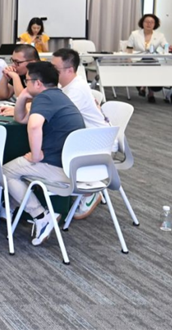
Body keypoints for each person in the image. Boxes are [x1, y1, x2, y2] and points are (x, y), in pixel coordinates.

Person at [2, 62, 85, 246]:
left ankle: (41, 215)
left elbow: (33, 126)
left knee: (5, 172)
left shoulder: (44, 99)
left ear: (38, 83)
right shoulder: (58, 96)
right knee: (19, 170)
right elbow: (21, 118)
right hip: (74, 165)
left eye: (27, 80)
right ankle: (9, 207)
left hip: (58, 168)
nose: (25, 83)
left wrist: (35, 155)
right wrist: (23, 96)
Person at [51, 48, 111, 221]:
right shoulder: (65, 85)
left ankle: (90, 191)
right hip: (82, 136)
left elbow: (57, 115)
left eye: (55, 69)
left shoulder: (76, 89)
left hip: (94, 142)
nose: (51, 72)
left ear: (69, 70)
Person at [125, 14, 172, 103]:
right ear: (142, 23)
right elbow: (129, 48)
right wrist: (129, 61)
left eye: (152, 22)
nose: (149, 24)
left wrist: (169, 48)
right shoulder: (135, 34)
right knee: (149, 64)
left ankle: (143, 86)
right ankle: (150, 94)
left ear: (155, 24)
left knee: (150, 63)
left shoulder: (160, 35)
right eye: (147, 22)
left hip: (152, 61)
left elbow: (165, 46)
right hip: (137, 60)